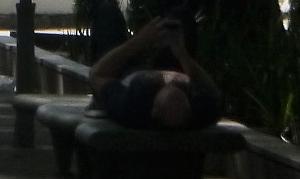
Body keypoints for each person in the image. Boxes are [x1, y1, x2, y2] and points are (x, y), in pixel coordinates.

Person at [88, 14, 223, 131]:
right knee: (180, 19)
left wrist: (138, 42)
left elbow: (96, 74)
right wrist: (182, 55)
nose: (168, 82)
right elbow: (214, 92)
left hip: (125, 73)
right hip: (174, 65)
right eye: (179, 86)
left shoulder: (131, 104)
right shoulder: (200, 110)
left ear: (153, 109)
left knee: (108, 15)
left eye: (161, 87)